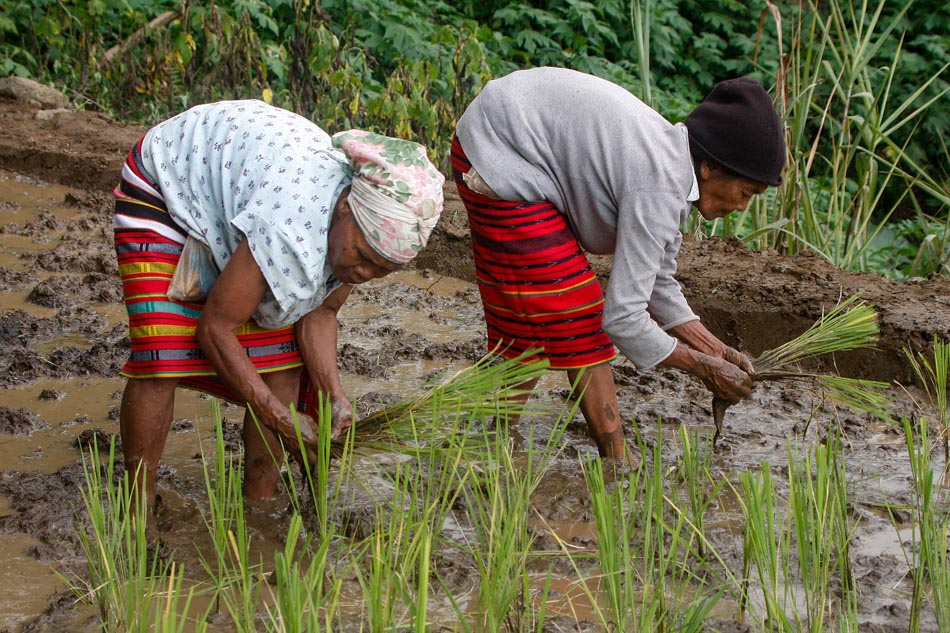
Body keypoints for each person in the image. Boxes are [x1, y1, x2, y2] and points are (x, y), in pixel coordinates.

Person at [113, 99, 444, 506]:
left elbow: (321, 313)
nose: (363, 274)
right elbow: (214, 328)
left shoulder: (354, 236)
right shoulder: (288, 225)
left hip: (250, 190)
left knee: (283, 366)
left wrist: (334, 396)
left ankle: (259, 504)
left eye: (381, 270)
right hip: (172, 179)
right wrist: (277, 416)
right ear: (345, 207)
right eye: (362, 257)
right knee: (162, 354)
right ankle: (136, 508)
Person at [451, 67, 785, 460]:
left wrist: (717, 349)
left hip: (502, 133)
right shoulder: (658, 185)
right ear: (710, 167)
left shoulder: (672, 169)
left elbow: (657, 279)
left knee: (534, 316)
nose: (743, 206)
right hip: (499, 150)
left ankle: (494, 439)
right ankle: (617, 461)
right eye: (745, 191)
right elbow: (623, 319)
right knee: (578, 312)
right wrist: (703, 368)